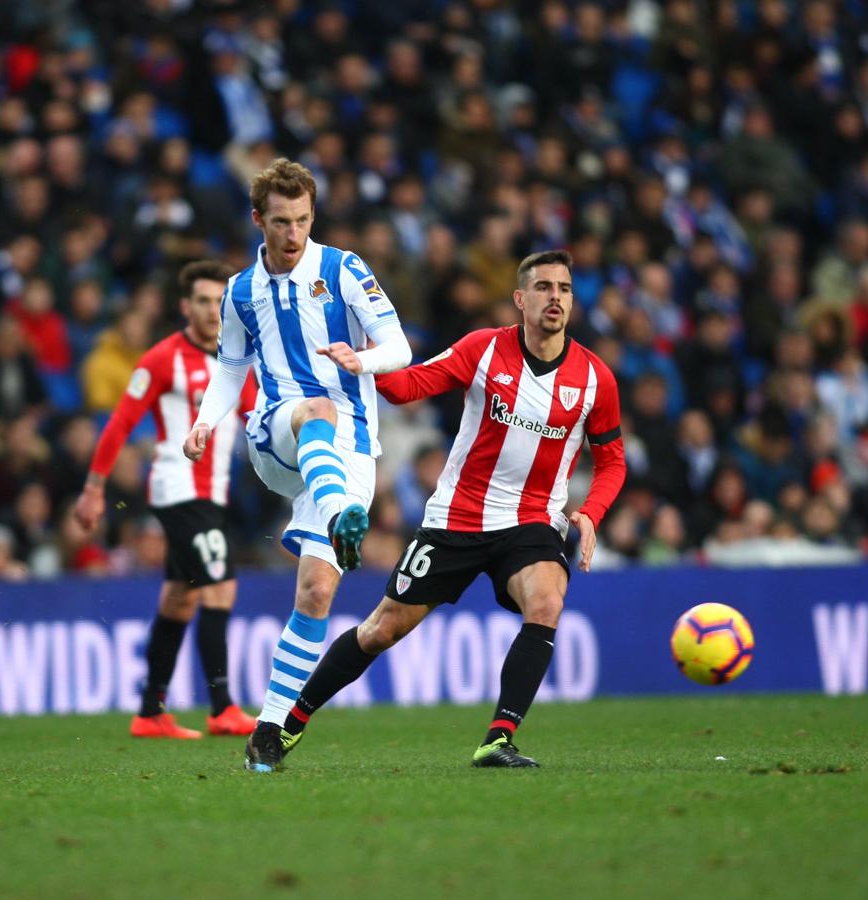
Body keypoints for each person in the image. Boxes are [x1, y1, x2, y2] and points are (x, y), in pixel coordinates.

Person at [267, 249, 627, 770]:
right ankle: (292, 722)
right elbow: (410, 385)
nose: (555, 297)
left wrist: (590, 511)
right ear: (520, 300)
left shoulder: (595, 379)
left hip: (531, 520)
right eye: (544, 287)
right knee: (380, 630)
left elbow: (612, 460)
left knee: (546, 603)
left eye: (565, 289)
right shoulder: (483, 349)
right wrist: (365, 361)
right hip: (455, 519)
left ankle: (499, 739)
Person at [182, 158, 412, 771]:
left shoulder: (343, 268)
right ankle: (341, 515)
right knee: (314, 407)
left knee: (315, 592)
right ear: (258, 219)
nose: (293, 235)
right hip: (279, 434)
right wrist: (207, 420)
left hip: (351, 448)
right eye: (281, 222)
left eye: (303, 220)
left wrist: (362, 363)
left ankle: (269, 732)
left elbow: (400, 347)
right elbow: (232, 366)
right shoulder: (239, 291)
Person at [74, 260, 259, 740]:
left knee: (180, 598)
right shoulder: (160, 359)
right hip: (178, 488)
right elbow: (118, 424)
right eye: (202, 300)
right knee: (220, 585)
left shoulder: (238, 359)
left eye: (219, 300)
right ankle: (222, 707)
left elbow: (261, 414)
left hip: (213, 493)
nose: (211, 309)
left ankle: (150, 711)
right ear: (184, 306)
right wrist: (94, 489)